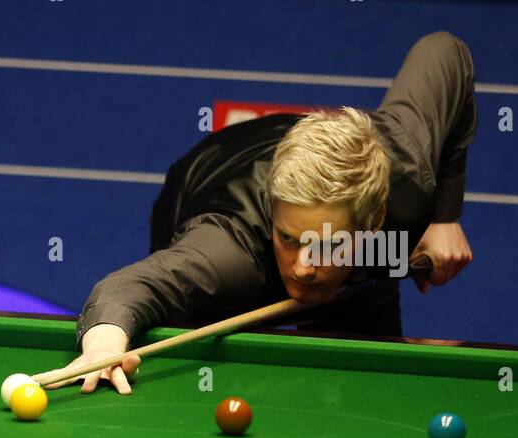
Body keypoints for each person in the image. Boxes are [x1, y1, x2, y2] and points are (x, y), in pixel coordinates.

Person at [59, 32, 477, 395]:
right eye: (290, 239)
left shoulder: (407, 179)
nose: (303, 267)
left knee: (364, 374)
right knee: (212, 375)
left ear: (375, 220)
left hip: (363, 253)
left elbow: (445, 51)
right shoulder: (227, 255)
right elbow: (129, 289)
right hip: (206, 182)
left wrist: (444, 216)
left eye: (326, 246)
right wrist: (103, 347)